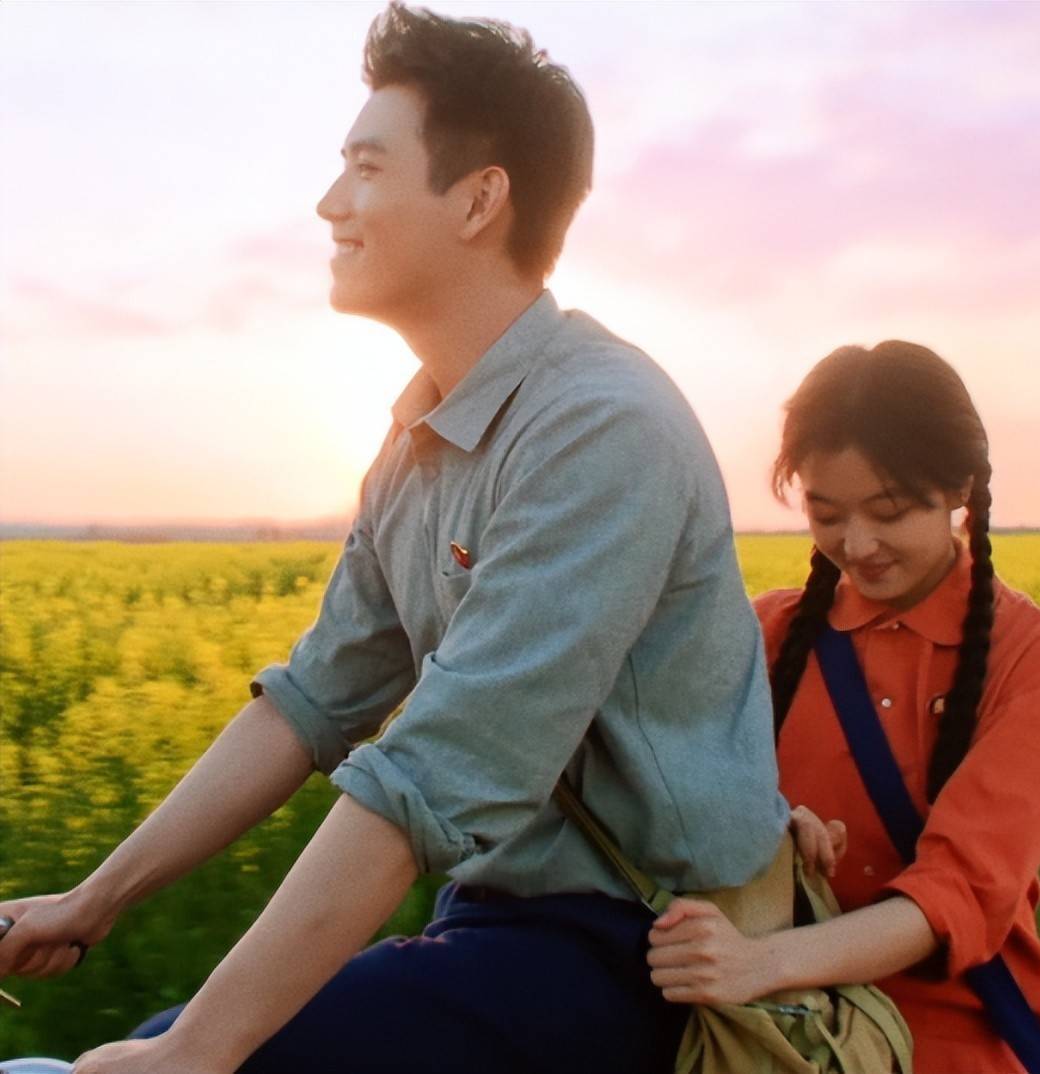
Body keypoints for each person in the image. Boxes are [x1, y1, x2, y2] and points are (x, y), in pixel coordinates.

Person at [0, 6, 788, 1073]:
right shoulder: (420, 434)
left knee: (195, 1058)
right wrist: (92, 902)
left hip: (646, 952)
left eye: (368, 168)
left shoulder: (602, 428)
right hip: (494, 924)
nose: (330, 202)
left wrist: (197, 1051)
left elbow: (436, 769)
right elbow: (313, 703)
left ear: (478, 200)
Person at [647, 341, 1040, 1074]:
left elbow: (959, 890)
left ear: (959, 488)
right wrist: (762, 824)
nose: (856, 546)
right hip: (776, 1027)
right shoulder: (764, 635)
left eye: (889, 511)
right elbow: (656, 805)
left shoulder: (1037, 658)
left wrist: (763, 963)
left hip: (959, 1033)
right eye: (825, 513)